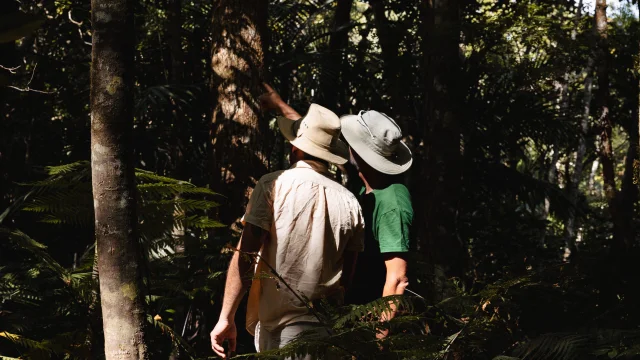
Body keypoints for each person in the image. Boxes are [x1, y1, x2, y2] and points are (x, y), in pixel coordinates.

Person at [209, 85, 364, 359]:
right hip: (331, 336)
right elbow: (347, 279)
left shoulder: (274, 185)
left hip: (283, 335)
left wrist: (226, 317)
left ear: (295, 148)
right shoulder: (351, 202)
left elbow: (245, 255)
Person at [340, 110, 414, 338]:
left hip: (372, 319)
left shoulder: (393, 204)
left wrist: (379, 338)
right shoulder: (367, 185)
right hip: (356, 314)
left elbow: (398, 279)